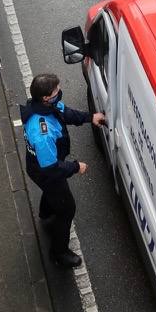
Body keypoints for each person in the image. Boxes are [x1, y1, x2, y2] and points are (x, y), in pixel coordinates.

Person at [21, 72, 105, 269]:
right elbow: (51, 169)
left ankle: (46, 214)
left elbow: (66, 113)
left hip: (41, 168)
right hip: (46, 171)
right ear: (46, 97)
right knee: (67, 208)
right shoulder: (43, 132)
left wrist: (89, 117)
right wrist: (76, 167)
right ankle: (59, 253)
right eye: (56, 90)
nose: (59, 92)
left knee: (52, 194)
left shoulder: (44, 107)